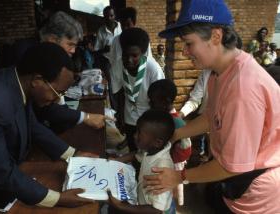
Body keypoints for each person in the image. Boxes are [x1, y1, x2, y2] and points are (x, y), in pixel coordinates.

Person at [143, 0, 280, 213]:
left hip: (256, 186)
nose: (185, 52)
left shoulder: (243, 88)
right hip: (238, 175)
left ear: (216, 36)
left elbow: (231, 165)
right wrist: (176, 133)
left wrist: (178, 177)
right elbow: (211, 116)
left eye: (189, 44)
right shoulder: (219, 73)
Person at [0, 43, 95, 214]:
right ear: (37, 80)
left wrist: (73, 155)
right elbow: (0, 173)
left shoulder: (17, 82)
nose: (59, 99)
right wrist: (58, 198)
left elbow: (33, 126)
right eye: (58, 92)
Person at [39, 11, 110, 131]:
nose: (73, 51)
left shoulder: (50, 56)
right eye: (70, 45)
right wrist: (85, 117)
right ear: (52, 40)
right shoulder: (35, 57)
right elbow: (44, 106)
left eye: (75, 46)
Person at [108, 109, 176, 214]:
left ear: (157, 142)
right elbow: (136, 156)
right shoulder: (151, 149)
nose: (135, 136)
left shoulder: (162, 168)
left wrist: (121, 206)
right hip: (142, 201)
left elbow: (156, 210)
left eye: (139, 133)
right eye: (136, 131)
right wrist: (117, 160)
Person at [116, 27, 165, 152]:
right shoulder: (118, 65)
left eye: (134, 55)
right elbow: (120, 92)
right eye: (125, 55)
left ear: (143, 53)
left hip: (148, 121)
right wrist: (120, 116)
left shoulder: (153, 69)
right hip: (129, 119)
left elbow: (160, 103)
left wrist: (152, 127)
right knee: (133, 151)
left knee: (146, 155)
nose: (129, 60)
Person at [147, 79, 192, 206]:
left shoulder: (175, 123)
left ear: (165, 101)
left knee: (167, 193)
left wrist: (173, 156)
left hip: (173, 165)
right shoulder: (168, 119)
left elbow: (186, 148)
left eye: (152, 100)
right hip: (170, 162)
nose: (150, 103)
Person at [108, 7, 153, 110]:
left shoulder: (141, 40)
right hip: (122, 82)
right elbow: (113, 61)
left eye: (128, 24)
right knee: (123, 106)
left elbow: (147, 60)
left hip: (139, 80)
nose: (125, 28)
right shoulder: (116, 41)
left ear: (134, 23)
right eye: (123, 25)